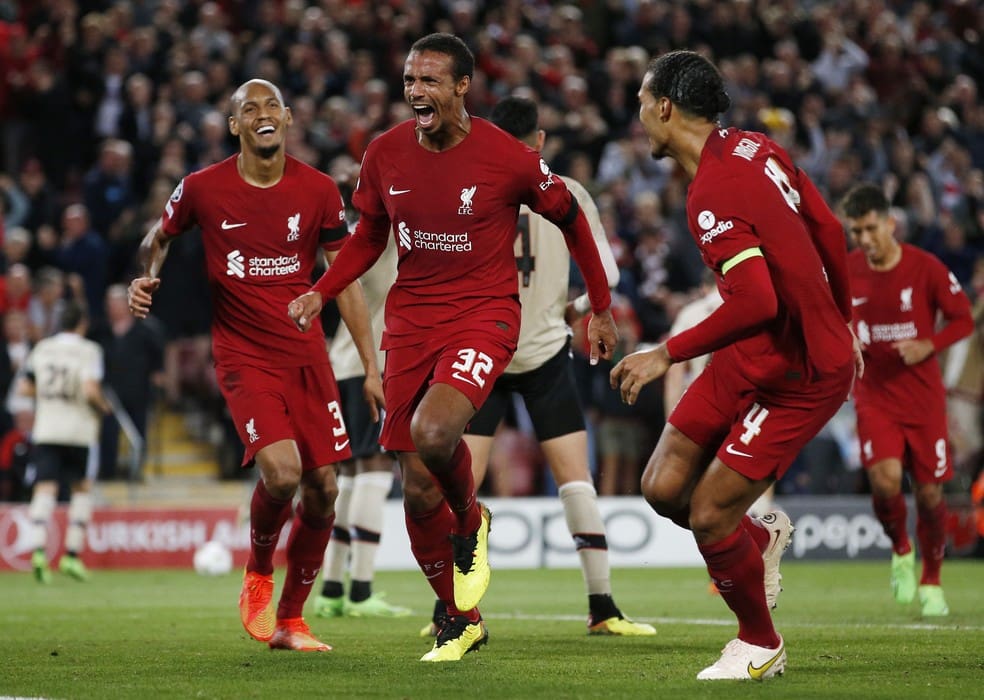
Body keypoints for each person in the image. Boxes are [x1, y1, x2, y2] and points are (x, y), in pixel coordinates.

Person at [288, 34, 618, 662]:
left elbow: (572, 219)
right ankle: (461, 618)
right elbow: (368, 236)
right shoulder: (384, 152)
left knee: (436, 436)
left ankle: (473, 522)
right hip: (410, 324)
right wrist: (321, 290)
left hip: (484, 317)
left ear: (463, 86)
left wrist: (600, 305)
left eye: (430, 81)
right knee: (415, 486)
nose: (416, 92)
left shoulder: (506, 157)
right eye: (410, 80)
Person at [610, 50, 862, 681]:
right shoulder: (754, 147)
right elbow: (829, 230)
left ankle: (760, 642)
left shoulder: (714, 190)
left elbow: (757, 299)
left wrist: (665, 352)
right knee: (663, 487)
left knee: (710, 513)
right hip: (753, 351)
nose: (640, 117)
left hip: (802, 372)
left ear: (665, 107)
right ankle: (760, 540)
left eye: (643, 103)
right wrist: (846, 316)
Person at [127, 79, 382, 653]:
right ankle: (258, 573)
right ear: (234, 125)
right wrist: (145, 275)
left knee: (323, 490)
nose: (263, 114)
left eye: (272, 106)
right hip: (244, 355)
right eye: (250, 108)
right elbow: (158, 236)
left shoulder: (318, 190)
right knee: (284, 473)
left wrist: (370, 366)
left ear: (289, 118)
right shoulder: (202, 188)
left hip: (307, 355)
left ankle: (291, 621)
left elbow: (346, 284)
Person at [416, 94, 651, 637]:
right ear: (540, 141)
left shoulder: (466, 189)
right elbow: (608, 276)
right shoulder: (568, 193)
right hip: (545, 350)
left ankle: (449, 611)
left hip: (481, 354)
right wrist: (570, 308)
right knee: (576, 481)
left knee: (462, 487)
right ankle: (603, 608)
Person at [840, 183, 973, 617]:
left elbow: (963, 318)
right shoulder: (847, 272)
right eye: (856, 231)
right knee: (884, 480)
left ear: (890, 224)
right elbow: (831, 319)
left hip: (923, 400)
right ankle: (901, 548)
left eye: (870, 229)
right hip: (874, 395)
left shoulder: (925, 267)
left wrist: (928, 345)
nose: (863, 240)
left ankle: (932, 579)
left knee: (932, 496)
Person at [314, 235, 411, 619]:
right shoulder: (385, 236)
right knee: (374, 468)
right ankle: (361, 590)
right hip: (374, 366)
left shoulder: (349, 244)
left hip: (342, 365)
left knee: (352, 473)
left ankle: (333, 588)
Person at [20, 300, 111, 583]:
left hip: (46, 428)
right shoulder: (89, 350)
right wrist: (103, 407)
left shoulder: (42, 348)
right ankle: (71, 556)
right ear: (82, 324)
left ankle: (37, 551)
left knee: (44, 489)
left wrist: (49, 399)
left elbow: (25, 387)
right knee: (81, 490)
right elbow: (89, 389)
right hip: (78, 431)